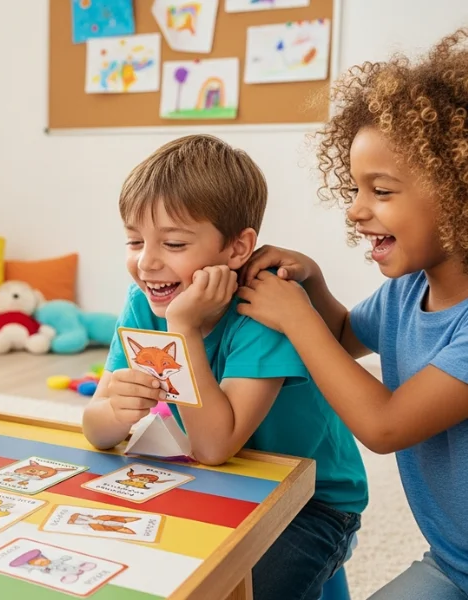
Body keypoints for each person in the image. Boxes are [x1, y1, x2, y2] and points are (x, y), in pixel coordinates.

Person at [82, 134, 367, 600]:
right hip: (215, 483)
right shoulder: (144, 300)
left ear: (238, 249)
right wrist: (113, 414)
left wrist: (183, 328)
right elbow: (95, 426)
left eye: (172, 243)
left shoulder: (265, 308)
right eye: (134, 240)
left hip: (311, 504)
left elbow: (215, 444)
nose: (147, 262)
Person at [238, 28, 468, 600]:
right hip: (453, 562)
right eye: (357, 187)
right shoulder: (406, 291)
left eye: (381, 191)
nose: (357, 208)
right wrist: (312, 282)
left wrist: (296, 319)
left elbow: (385, 425)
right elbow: (343, 336)